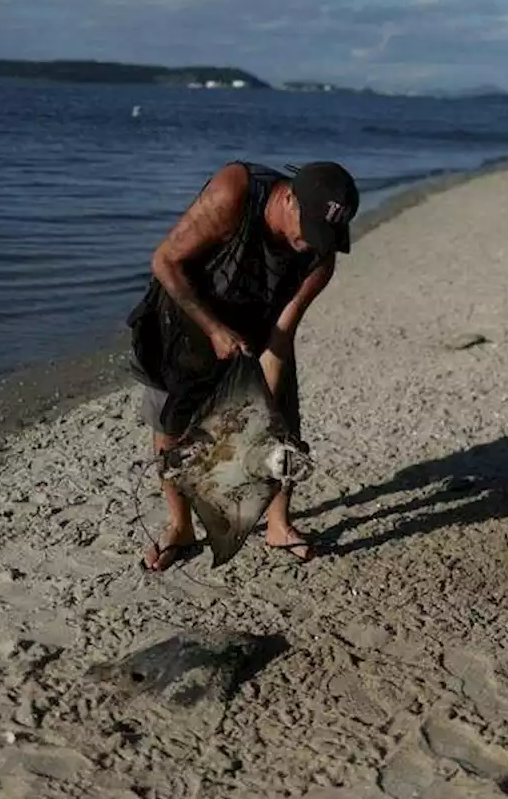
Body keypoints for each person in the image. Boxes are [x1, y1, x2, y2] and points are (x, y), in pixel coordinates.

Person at [126, 159, 359, 571]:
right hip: (184, 311)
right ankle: (180, 527)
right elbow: (164, 261)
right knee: (171, 423)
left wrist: (266, 417)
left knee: (282, 430)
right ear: (288, 198)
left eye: (326, 235)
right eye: (311, 230)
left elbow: (280, 337)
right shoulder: (235, 192)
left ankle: (278, 525)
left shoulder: (319, 256)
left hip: (256, 328)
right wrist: (213, 329)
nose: (313, 242)